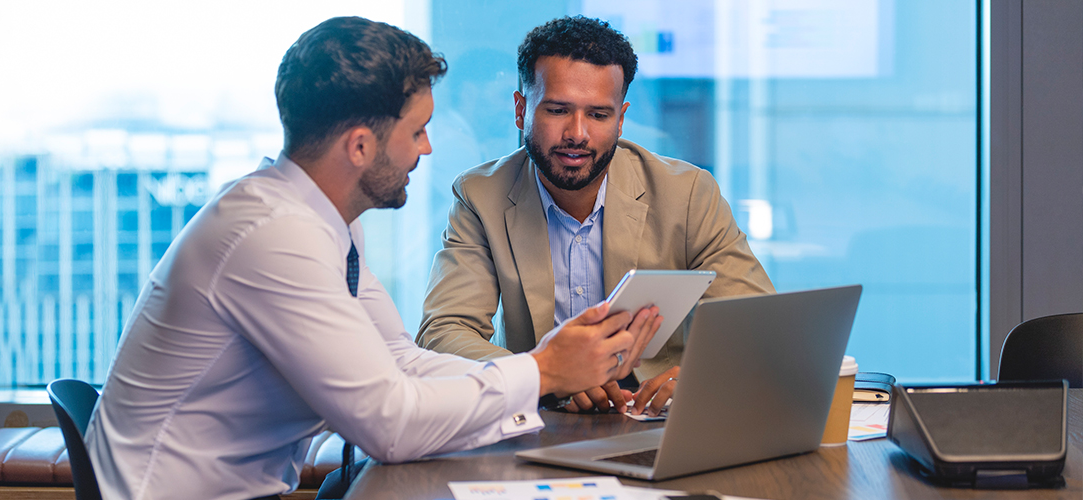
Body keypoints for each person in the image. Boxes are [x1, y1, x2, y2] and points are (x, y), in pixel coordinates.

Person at [85, 16, 661, 500]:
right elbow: (388, 425)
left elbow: (398, 362)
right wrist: (544, 371)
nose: (427, 148)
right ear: (361, 146)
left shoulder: (321, 220)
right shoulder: (273, 238)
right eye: (416, 132)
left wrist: (543, 368)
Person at [417, 16, 774, 418]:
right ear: (521, 111)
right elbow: (444, 332)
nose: (578, 133)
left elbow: (757, 324)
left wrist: (703, 377)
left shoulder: (688, 193)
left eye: (599, 115)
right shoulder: (480, 196)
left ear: (621, 119)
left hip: (656, 418)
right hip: (540, 418)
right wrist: (546, 375)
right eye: (557, 110)